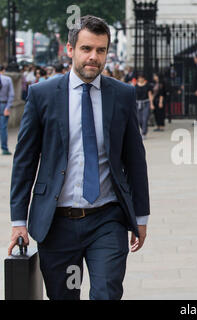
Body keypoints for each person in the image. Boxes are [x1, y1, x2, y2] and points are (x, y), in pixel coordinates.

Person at [8, 15, 150, 300]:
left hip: (107, 220)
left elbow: (135, 158)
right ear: (70, 50)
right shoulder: (42, 95)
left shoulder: (122, 95)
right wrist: (18, 221)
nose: (93, 57)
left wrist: (141, 215)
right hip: (57, 223)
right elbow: (24, 161)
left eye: (100, 50)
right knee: (65, 295)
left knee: (106, 293)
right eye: (86, 49)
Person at [0, 65, 15, 155]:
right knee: (3, 127)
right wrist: (8, 107)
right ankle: (4, 148)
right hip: (3, 104)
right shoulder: (7, 79)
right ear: (3, 70)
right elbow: (11, 94)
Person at [135, 72, 152, 137]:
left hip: (146, 103)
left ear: (144, 78)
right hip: (137, 103)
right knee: (139, 119)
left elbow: (150, 94)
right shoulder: (135, 85)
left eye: (141, 78)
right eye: (139, 78)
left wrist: (151, 104)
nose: (140, 79)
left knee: (145, 118)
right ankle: (144, 129)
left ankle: (144, 133)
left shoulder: (148, 85)